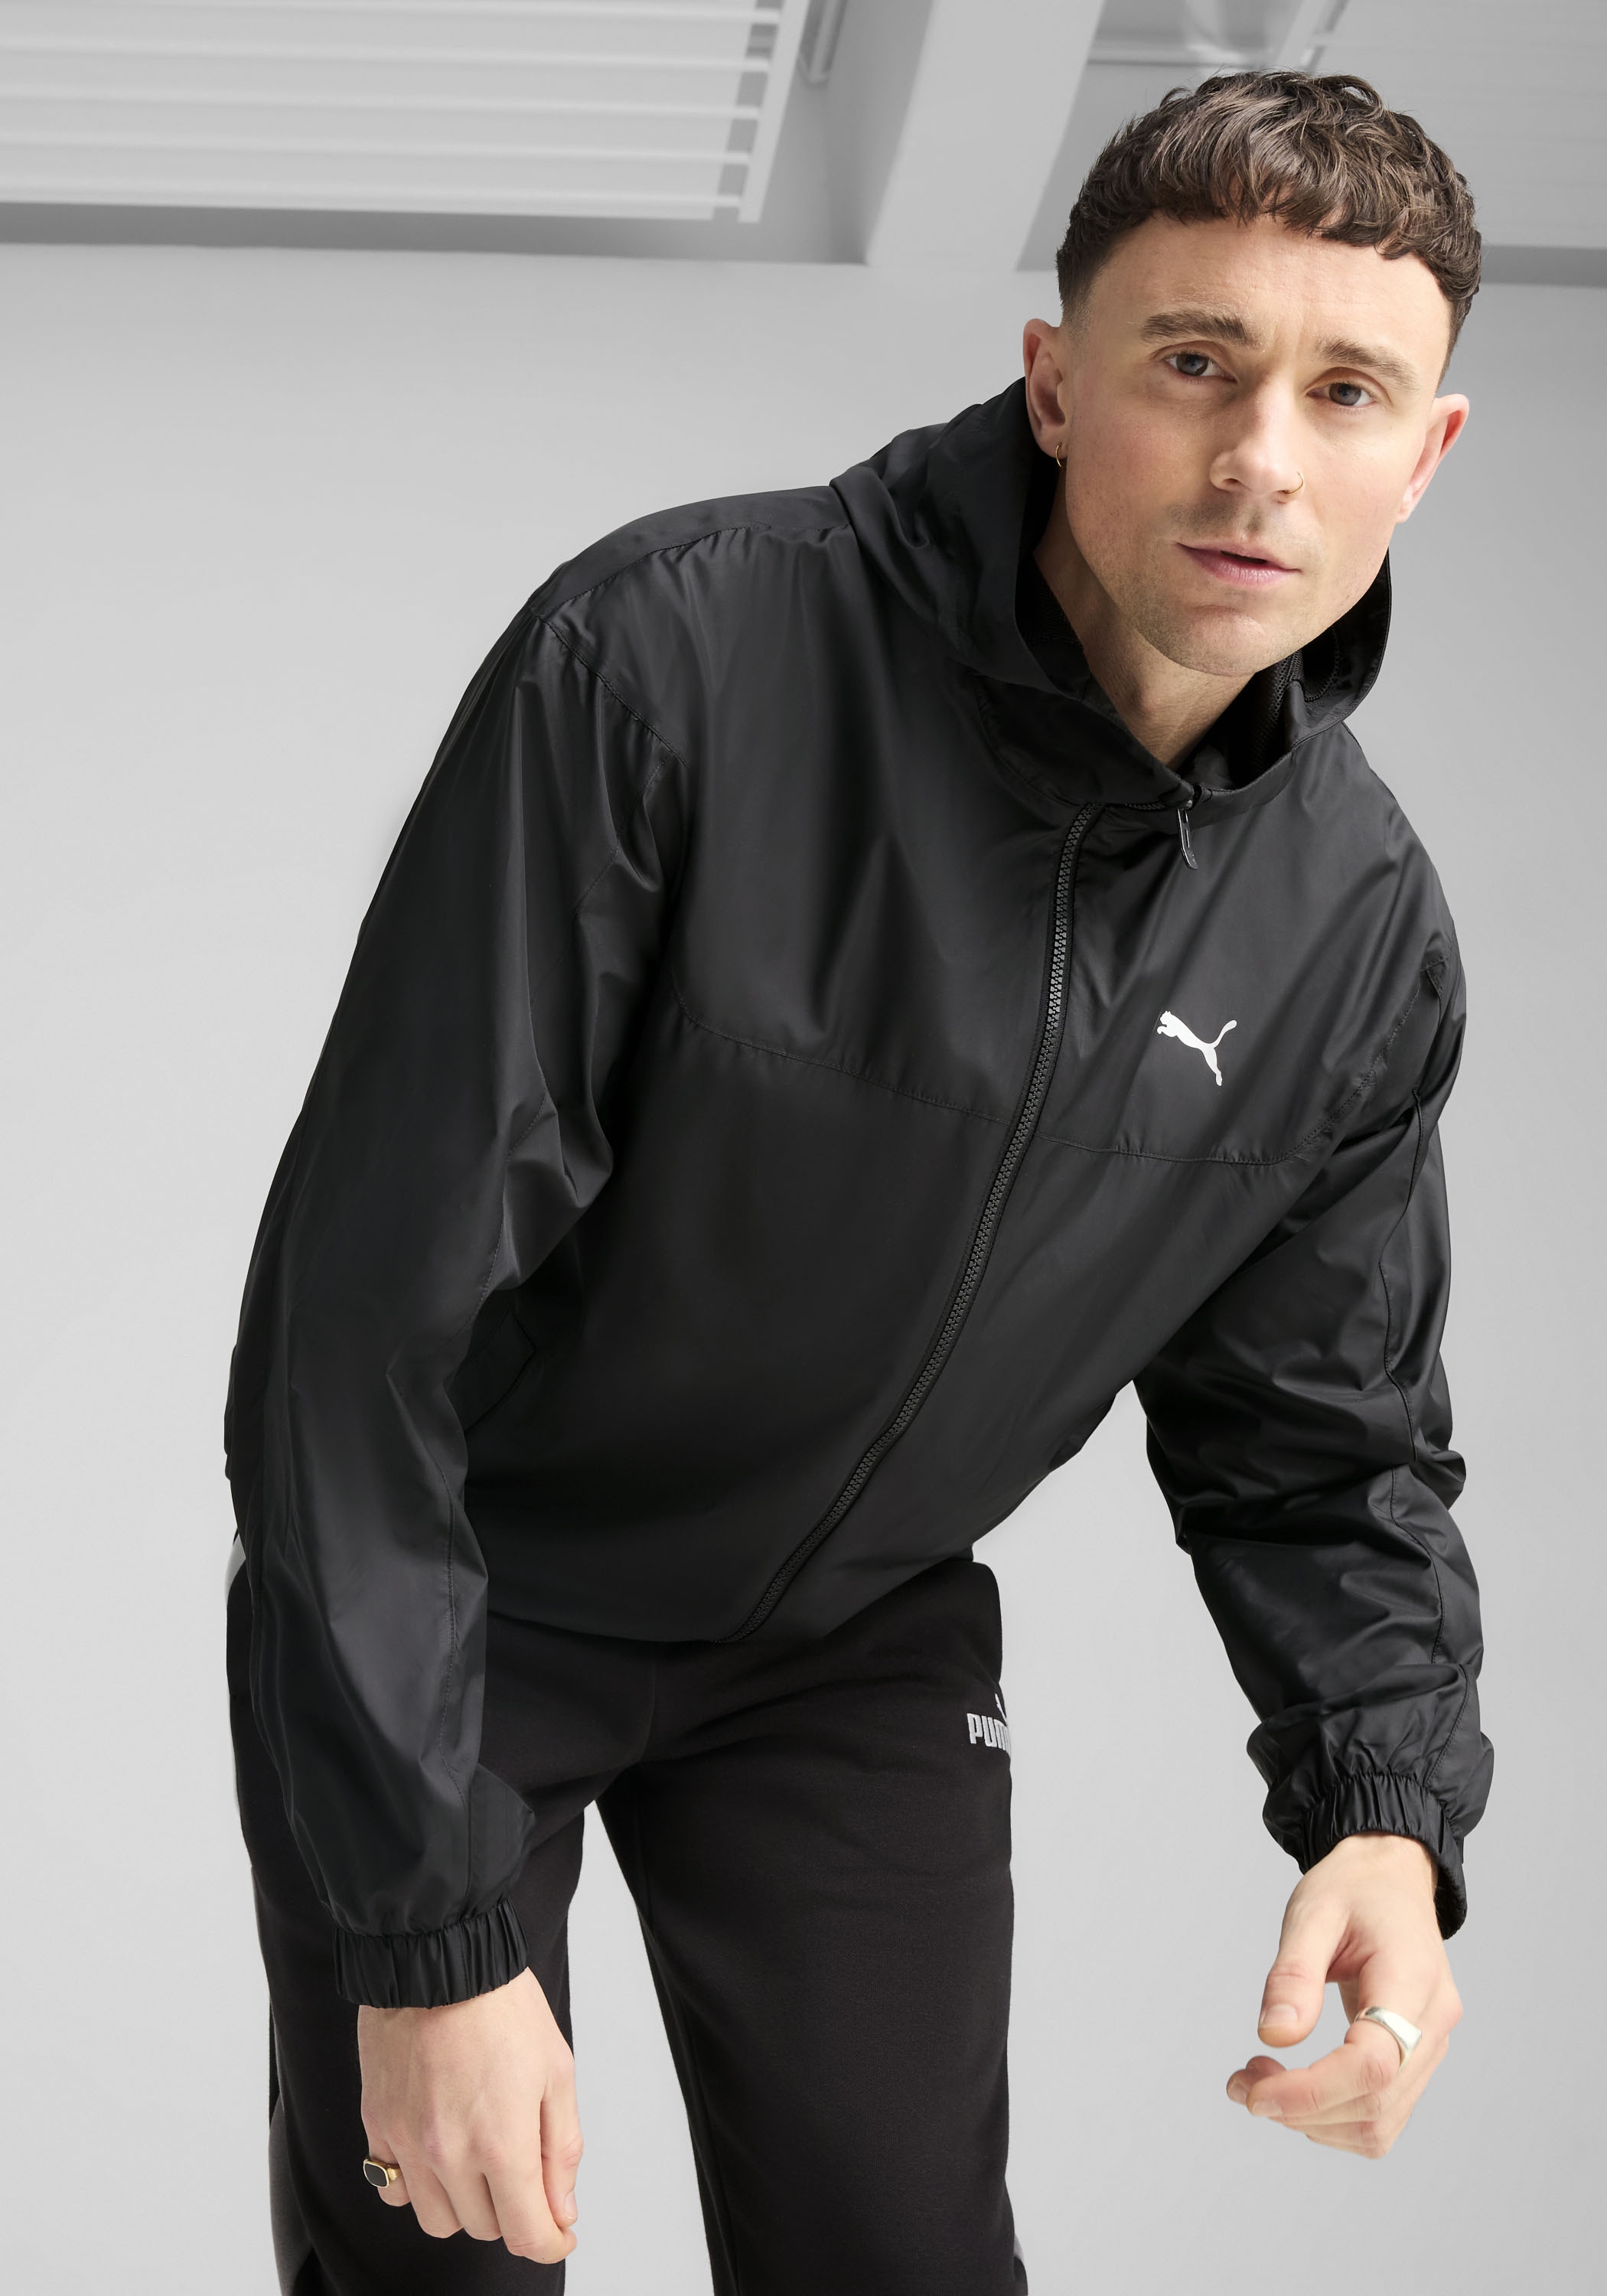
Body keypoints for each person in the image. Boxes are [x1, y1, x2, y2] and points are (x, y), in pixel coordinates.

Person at [226, 70, 1493, 2296]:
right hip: (469, 1603)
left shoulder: (1355, 933)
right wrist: (424, 1939)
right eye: (1193, 363)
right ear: (1054, 382)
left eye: (1342, 391)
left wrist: (1384, 1814)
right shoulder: (675, 660)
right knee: (445, 2263)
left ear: (1428, 447)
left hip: (844, 1647)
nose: (1259, 460)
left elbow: (1321, 1441)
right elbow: (362, 1331)